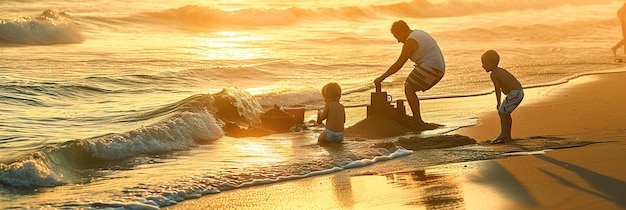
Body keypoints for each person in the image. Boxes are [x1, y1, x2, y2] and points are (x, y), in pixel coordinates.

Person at [374, 20, 445, 128]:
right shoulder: (418, 33)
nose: (398, 41)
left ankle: (417, 121)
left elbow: (399, 64)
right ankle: (417, 119)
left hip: (432, 67)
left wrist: (381, 78)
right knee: (410, 87)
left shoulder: (410, 41)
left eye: (397, 36)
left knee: (409, 88)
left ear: (402, 31)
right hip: (438, 67)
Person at [481, 50, 524, 144]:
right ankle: (507, 134)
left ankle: (504, 134)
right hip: (519, 92)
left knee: (502, 112)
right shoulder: (500, 70)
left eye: (484, 63)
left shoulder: (494, 74)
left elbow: (497, 89)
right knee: (505, 113)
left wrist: (498, 102)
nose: (482, 66)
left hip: (515, 93)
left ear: (490, 63)